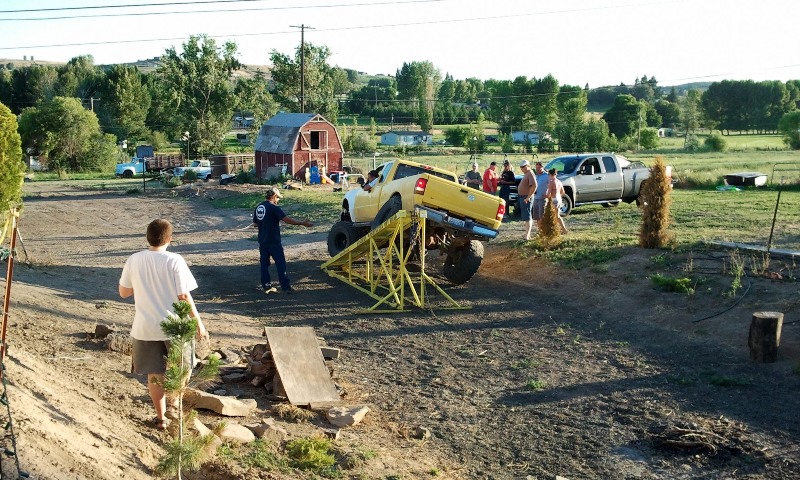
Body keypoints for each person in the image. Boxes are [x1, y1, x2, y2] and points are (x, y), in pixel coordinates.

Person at [119, 218, 208, 431]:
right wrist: (198, 323)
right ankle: (174, 401)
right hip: (175, 326)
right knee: (185, 366)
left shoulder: (134, 259)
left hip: (144, 327)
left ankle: (160, 419)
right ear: (170, 239)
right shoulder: (175, 260)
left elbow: (123, 292)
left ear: (147, 238)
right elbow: (183, 296)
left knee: (154, 374)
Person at [251, 187, 313, 294]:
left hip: (262, 240)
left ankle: (266, 285)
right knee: (280, 264)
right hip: (273, 241)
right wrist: (302, 223)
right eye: (278, 198)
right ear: (274, 197)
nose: (278, 200)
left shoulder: (259, 207)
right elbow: (287, 220)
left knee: (264, 264)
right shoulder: (274, 208)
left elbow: (255, 224)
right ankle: (285, 286)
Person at [517, 160, 537, 240]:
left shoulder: (530, 173)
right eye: (521, 167)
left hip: (526, 197)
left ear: (528, 166)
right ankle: (527, 235)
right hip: (523, 197)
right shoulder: (527, 174)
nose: (522, 168)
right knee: (526, 216)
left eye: (523, 167)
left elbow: (534, 185)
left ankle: (527, 236)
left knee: (528, 216)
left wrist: (528, 197)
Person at [546, 168, 569, 234]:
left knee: (556, 216)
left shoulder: (551, 182)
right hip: (559, 198)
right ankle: (561, 229)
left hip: (554, 199)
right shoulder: (559, 182)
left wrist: (544, 196)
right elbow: (563, 192)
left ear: (550, 174)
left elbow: (548, 194)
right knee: (557, 215)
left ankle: (562, 229)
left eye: (548, 174)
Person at [531, 161, 550, 230]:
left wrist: (548, 194)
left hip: (542, 199)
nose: (537, 169)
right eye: (536, 167)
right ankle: (540, 230)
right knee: (537, 217)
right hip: (535, 198)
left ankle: (544, 230)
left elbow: (551, 185)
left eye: (539, 167)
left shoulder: (547, 176)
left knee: (542, 216)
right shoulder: (535, 176)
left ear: (542, 167)